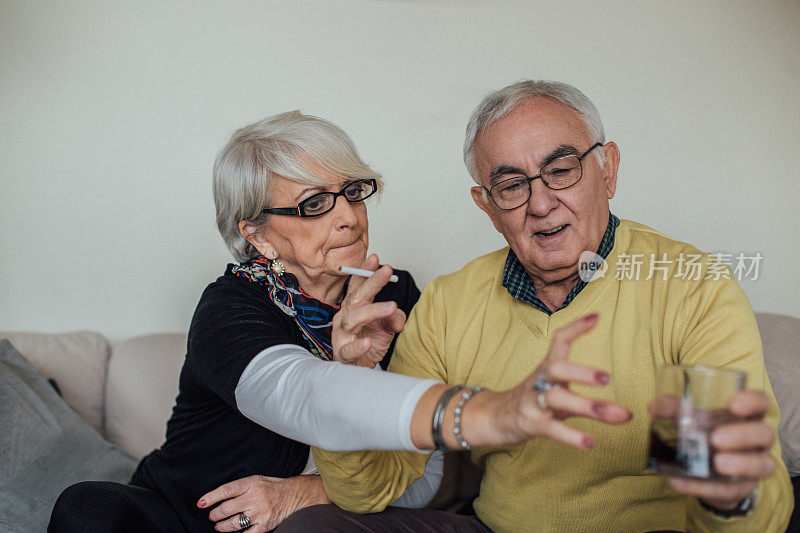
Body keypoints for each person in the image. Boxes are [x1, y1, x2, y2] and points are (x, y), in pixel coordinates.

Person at [295, 80, 794, 532]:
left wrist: (730, 494)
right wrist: (351, 385)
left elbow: (753, 517)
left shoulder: (689, 289)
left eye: (561, 170)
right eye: (511, 186)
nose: (540, 203)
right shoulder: (451, 302)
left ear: (608, 170)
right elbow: (371, 489)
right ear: (486, 206)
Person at [48, 111, 448, 532]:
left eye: (352, 191)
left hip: (311, 522)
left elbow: (428, 466)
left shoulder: (395, 295)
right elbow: (301, 398)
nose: (348, 216)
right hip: (180, 519)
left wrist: (308, 491)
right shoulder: (229, 308)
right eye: (313, 204)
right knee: (87, 506)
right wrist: (352, 371)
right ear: (258, 235)